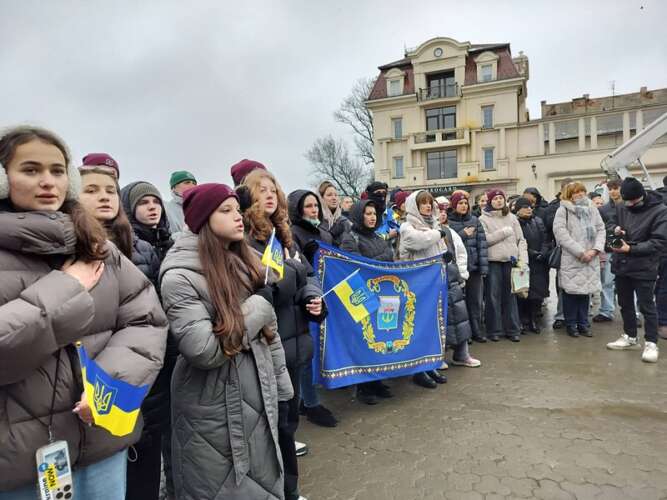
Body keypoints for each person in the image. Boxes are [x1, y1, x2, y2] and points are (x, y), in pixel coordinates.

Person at [0, 126, 167, 499]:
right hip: (17, 464)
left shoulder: (98, 248)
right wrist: (67, 288)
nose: (48, 181)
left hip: (102, 443)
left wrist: (107, 388)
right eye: (30, 170)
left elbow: (146, 320)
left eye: (58, 171)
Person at [160, 183, 293, 499]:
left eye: (237, 209)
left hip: (258, 390)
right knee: (222, 486)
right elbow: (204, 350)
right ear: (204, 218)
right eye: (226, 210)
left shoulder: (244, 260)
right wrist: (260, 305)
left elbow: (269, 335)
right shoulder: (178, 276)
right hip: (213, 404)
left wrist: (283, 389)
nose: (238, 218)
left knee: (263, 481)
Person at [78, 166, 177, 500]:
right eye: (91, 190)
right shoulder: (68, 251)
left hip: (147, 375)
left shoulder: (141, 250)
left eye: (109, 189)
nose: (103, 196)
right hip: (95, 384)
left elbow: (151, 316)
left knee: (146, 463)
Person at [240, 168, 326, 500]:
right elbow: (267, 288)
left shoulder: (284, 236)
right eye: (261, 189)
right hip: (266, 349)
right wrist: (293, 275)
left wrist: (312, 298)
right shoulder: (246, 240)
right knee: (271, 429)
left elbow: (307, 278)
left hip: (294, 345)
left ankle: (290, 489)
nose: (270, 194)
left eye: (273, 188)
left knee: (288, 425)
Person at [287, 189, 338, 427]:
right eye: (308, 206)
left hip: (327, 295)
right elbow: (297, 270)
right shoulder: (292, 234)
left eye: (315, 206)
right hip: (306, 299)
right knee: (307, 351)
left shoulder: (324, 233)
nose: (313, 210)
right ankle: (310, 402)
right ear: (297, 210)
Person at [340, 199, 396, 404]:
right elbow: (359, 265)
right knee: (364, 340)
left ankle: (376, 380)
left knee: (378, 338)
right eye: (367, 213)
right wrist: (383, 257)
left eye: (374, 214)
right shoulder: (350, 238)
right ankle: (364, 386)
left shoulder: (377, 236)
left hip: (382, 293)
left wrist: (380, 258)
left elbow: (390, 256)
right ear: (358, 215)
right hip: (363, 296)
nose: (372, 217)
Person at [605, 177, 667, 363]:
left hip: (644, 266)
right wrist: (615, 230)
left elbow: (659, 242)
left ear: (642, 195)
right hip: (621, 264)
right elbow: (609, 224)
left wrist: (630, 249)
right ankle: (630, 336)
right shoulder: (622, 206)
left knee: (647, 306)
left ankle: (651, 342)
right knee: (624, 303)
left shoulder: (660, 211)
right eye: (627, 201)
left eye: (633, 201)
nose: (630, 204)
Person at [398, 190, 449, 388]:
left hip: (433, 284)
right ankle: (418, 370)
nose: (428, 206)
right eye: (423, 203)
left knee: (431, 327)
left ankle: (429, 365)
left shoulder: (434, 223)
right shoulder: (407, 226)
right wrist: (438, 233)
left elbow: (438, 247)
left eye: (430, 203)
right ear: (414, 206)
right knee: (416, 327)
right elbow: (418, 241)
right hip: (416, 285)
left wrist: (445, 255)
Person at [552, 182, 605, 338]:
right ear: (569, 194)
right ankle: (571, 324)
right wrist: (581, 252)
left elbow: (601, 229)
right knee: (571, 293)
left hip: (591, 258)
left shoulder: (592, 209)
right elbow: (561, 234)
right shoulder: (563, 211)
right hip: (573, 258)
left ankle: (583, 324)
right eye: (576, 192)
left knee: (585, 293)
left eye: (582, 191)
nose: (580, 194)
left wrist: (595, 250)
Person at [479, 188, 528, 342]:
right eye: (495, 198)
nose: (498, 201)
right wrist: (503, 232)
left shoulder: (512, 218)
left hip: (511, 262)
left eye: (501, 198)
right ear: (490, 201)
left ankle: (512, 329)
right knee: (493, 297)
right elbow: (484, 240)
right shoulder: (483, 219)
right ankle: (494, 330)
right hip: (493, 262)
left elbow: (521, 240)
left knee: (511, 296)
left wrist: (523, 259)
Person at [439, 207, 481, 368]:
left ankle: (462, 354)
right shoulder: (417, 230)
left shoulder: (448, 231)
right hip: (433, 280)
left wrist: (462, 274)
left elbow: (461, 252)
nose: (441, 213)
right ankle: (438, 355)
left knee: (460, 317)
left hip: (452, 278)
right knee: (441, 320)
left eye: (442, 210)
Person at [448, 192, 489, 342]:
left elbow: (482, 245)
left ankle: (477, 331)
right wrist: (463, 234)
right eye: (460, 203)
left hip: (474, 268)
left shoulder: (475, 220)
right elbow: (449, 242)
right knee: (461, 303)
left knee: (476, 302)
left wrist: (483, 267)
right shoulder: (449, 223)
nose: (463, 206)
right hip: (458, 270)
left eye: (465, 203)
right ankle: (466, 335)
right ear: (454, 205)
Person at [514, 197, 551, 334]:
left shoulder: (538, 221)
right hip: (523, 262)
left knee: (537, 295)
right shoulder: (515, 223)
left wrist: (543, 252)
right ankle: (522, 321)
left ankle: (534, 320)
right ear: (518, 209)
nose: (529, 209)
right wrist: (531, 253)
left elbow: (546, 239)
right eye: (525, 207)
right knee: (523, 294)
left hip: (539, 263)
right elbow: (517, 242)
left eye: (530, 207)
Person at [544, 177, 574, 330]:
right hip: (562, 251)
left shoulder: (582, 205)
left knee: (579, 285)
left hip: (579, 253)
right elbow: (549, 228)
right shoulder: (554, 207)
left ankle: (577, 317)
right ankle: (561, 315)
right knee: (562, 285)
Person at [121, 181, 174, 262]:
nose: (152, 207)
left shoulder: (172, 245)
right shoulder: (123, 248)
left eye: (156, 202)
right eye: (143, 203)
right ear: (129, 209)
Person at [595, 178, 623, 323]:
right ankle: (606, 311)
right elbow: (601, 230)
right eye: (610, 188)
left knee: (631, 283)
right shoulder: (603, 209)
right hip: (610, 250)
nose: (613, 191)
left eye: (616, 188)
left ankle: (635, 313)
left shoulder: (631, 206)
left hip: (630, 250)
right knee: (607, 282)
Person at [317, 181, 351, 246]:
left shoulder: (344, 222)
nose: (334, 198)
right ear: (321, 198)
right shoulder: (316, 222)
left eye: (336, 195)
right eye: (329, 195)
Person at [164, 170, 197, 236]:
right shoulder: (168, 210)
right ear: (174, 188)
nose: (192, 186)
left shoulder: (202, 205)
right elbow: (171, 237)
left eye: (194, 183)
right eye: (187, 182)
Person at [657, 175, 667, 339]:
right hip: (663, 250)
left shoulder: (657, 200)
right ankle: (663, 322)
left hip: (659, 250)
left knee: (662, 287)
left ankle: (662, 322)